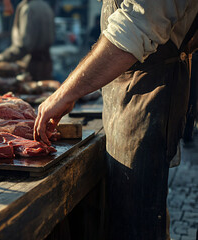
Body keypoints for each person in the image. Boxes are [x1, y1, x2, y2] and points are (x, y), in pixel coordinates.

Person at [33, 1, 198, 240]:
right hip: (127, 100)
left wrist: (65, 93)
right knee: (127, 212)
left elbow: (135, 25)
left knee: (138, 223)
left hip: (148, 96)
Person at [0, 0, 55, 81]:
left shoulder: (28, 8)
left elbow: (25, 45)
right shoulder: (46, 6)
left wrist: (3, 57)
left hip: (32, 66)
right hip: (46, 63)